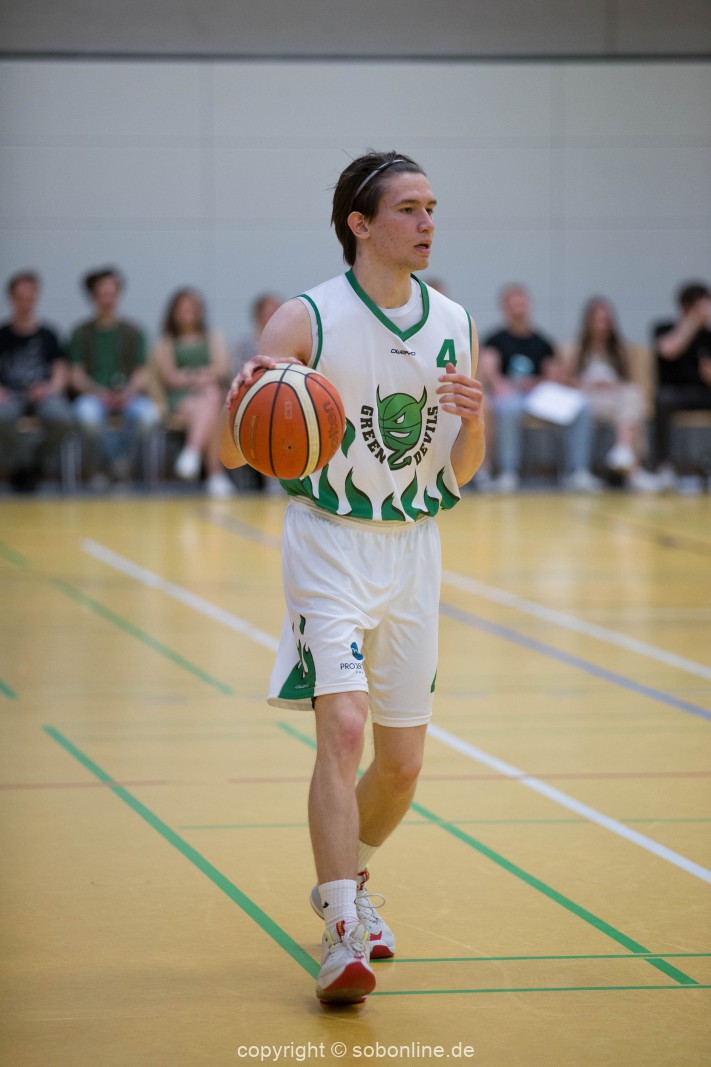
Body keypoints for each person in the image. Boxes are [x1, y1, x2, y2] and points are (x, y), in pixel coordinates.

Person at [219, 150, 484, 1004]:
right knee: (341, 728)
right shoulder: (303, 318)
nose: (427, 222)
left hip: (414, 548)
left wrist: (477, 424)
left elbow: (459, 470)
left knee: (401, 767)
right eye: (408, 208)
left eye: (431, 207)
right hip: (328, 542)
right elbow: (235, 452)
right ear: (359, 225)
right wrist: (241, 399)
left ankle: (348, 882)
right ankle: (340, 933)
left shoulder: (454, 320)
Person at [480, 285, 599, 492]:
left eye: (522, 303)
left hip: (539, 396)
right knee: (508, 409)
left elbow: (552, 374)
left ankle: (578, 471)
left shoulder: (542, 342)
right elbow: (490, 370)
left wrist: (545, 381)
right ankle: (508, 472)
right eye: (513, 304)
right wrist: (503, 386)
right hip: (511, 395)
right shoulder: (495, 339)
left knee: (582, 407)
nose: (518, 308)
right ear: (505, 308)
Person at [68, 267, 159, 484]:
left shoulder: (133, 331)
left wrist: (128, 391)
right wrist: (97, 392)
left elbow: (142, 373)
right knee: (87, 416)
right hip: (93, 396)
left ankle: (113, 463)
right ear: (93, 296)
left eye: (113, 292)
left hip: (128, 395)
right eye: (103, 293)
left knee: (149, 416)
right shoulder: (81, 332)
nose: (109, 298)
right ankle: (118, 463)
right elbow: (75, 375)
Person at [564, 297, 656, 491]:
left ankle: (623, 452)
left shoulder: (619, 349)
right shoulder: (579, 349)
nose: (602, 325)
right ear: (589, 322)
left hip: (612, 399)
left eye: (606, 320)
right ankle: (632, 470)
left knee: (633, 397)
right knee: (632, 413)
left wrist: (612, 384)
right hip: (588, 399)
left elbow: (629, 380)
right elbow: (568, 382)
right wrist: (590, 384)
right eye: (598, 320)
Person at [152, 288, 233, 498]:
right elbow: (169, 376)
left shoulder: (213, 337)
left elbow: (221, 369)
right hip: (180, 400)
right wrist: (201, 376)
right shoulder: (167, 341)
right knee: (211, 403)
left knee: (210, 399)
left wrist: (188, 375)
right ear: (174, 312)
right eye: (183, 308)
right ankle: (215, 475)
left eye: (192, 308)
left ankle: (192, 451)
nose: (188, 312)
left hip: (209, 398)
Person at [0, 271, 72, 490]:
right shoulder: (2, 334)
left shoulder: (48, 334)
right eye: (21, 296)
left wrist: (49, 388)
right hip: (10, 395)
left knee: (62, 418)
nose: (26, 301)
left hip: (43, 394)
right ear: (11, 298)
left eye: (30, 295)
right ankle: (23, 465)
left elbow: (60, 371)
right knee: (2, 417)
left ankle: (36, 464)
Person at [652, 281, 711, 490]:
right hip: (674, 394)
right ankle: (664, 466)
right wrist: (692, 322)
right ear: (686, 307)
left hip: (703, 394)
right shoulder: (664, 328)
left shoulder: (708, 336)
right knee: (662, 399)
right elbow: (669, 350)